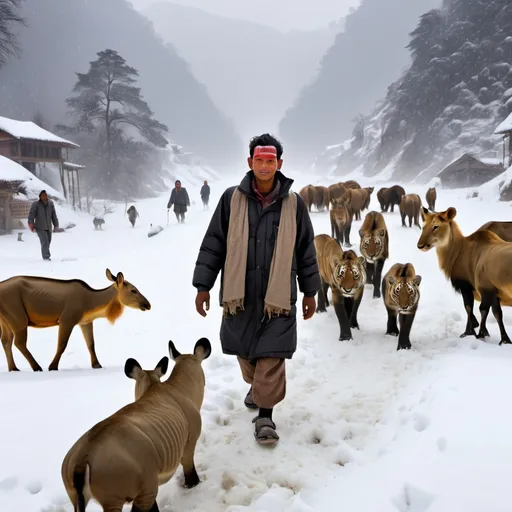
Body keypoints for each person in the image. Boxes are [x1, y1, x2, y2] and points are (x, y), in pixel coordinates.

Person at [192, 133, 320, 445]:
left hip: (279, 298)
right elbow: (214, 244)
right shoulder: (230, 199)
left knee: (272, 356)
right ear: (250, 162)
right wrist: (203, 285)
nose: (265, 166)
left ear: (279, 163)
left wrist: (310, 291)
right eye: (259, 160)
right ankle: (256, 386)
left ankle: (265, 415)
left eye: (270, 161)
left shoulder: (294, 204)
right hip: (241, 296)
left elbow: (305, 249)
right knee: (248, 355)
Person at [28, 189, 59, 261]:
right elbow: (31, 215)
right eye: (43, 196)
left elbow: (54, 215)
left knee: (48, 241)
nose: (45, 197)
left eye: (45, 195)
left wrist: (56, 225)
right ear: (40, 197)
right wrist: (31, 224)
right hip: (40, 227)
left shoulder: (50, 203)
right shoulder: (36, 204)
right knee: (45, 241)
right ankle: (46, 257)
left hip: (48, 227)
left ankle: (46, 254)